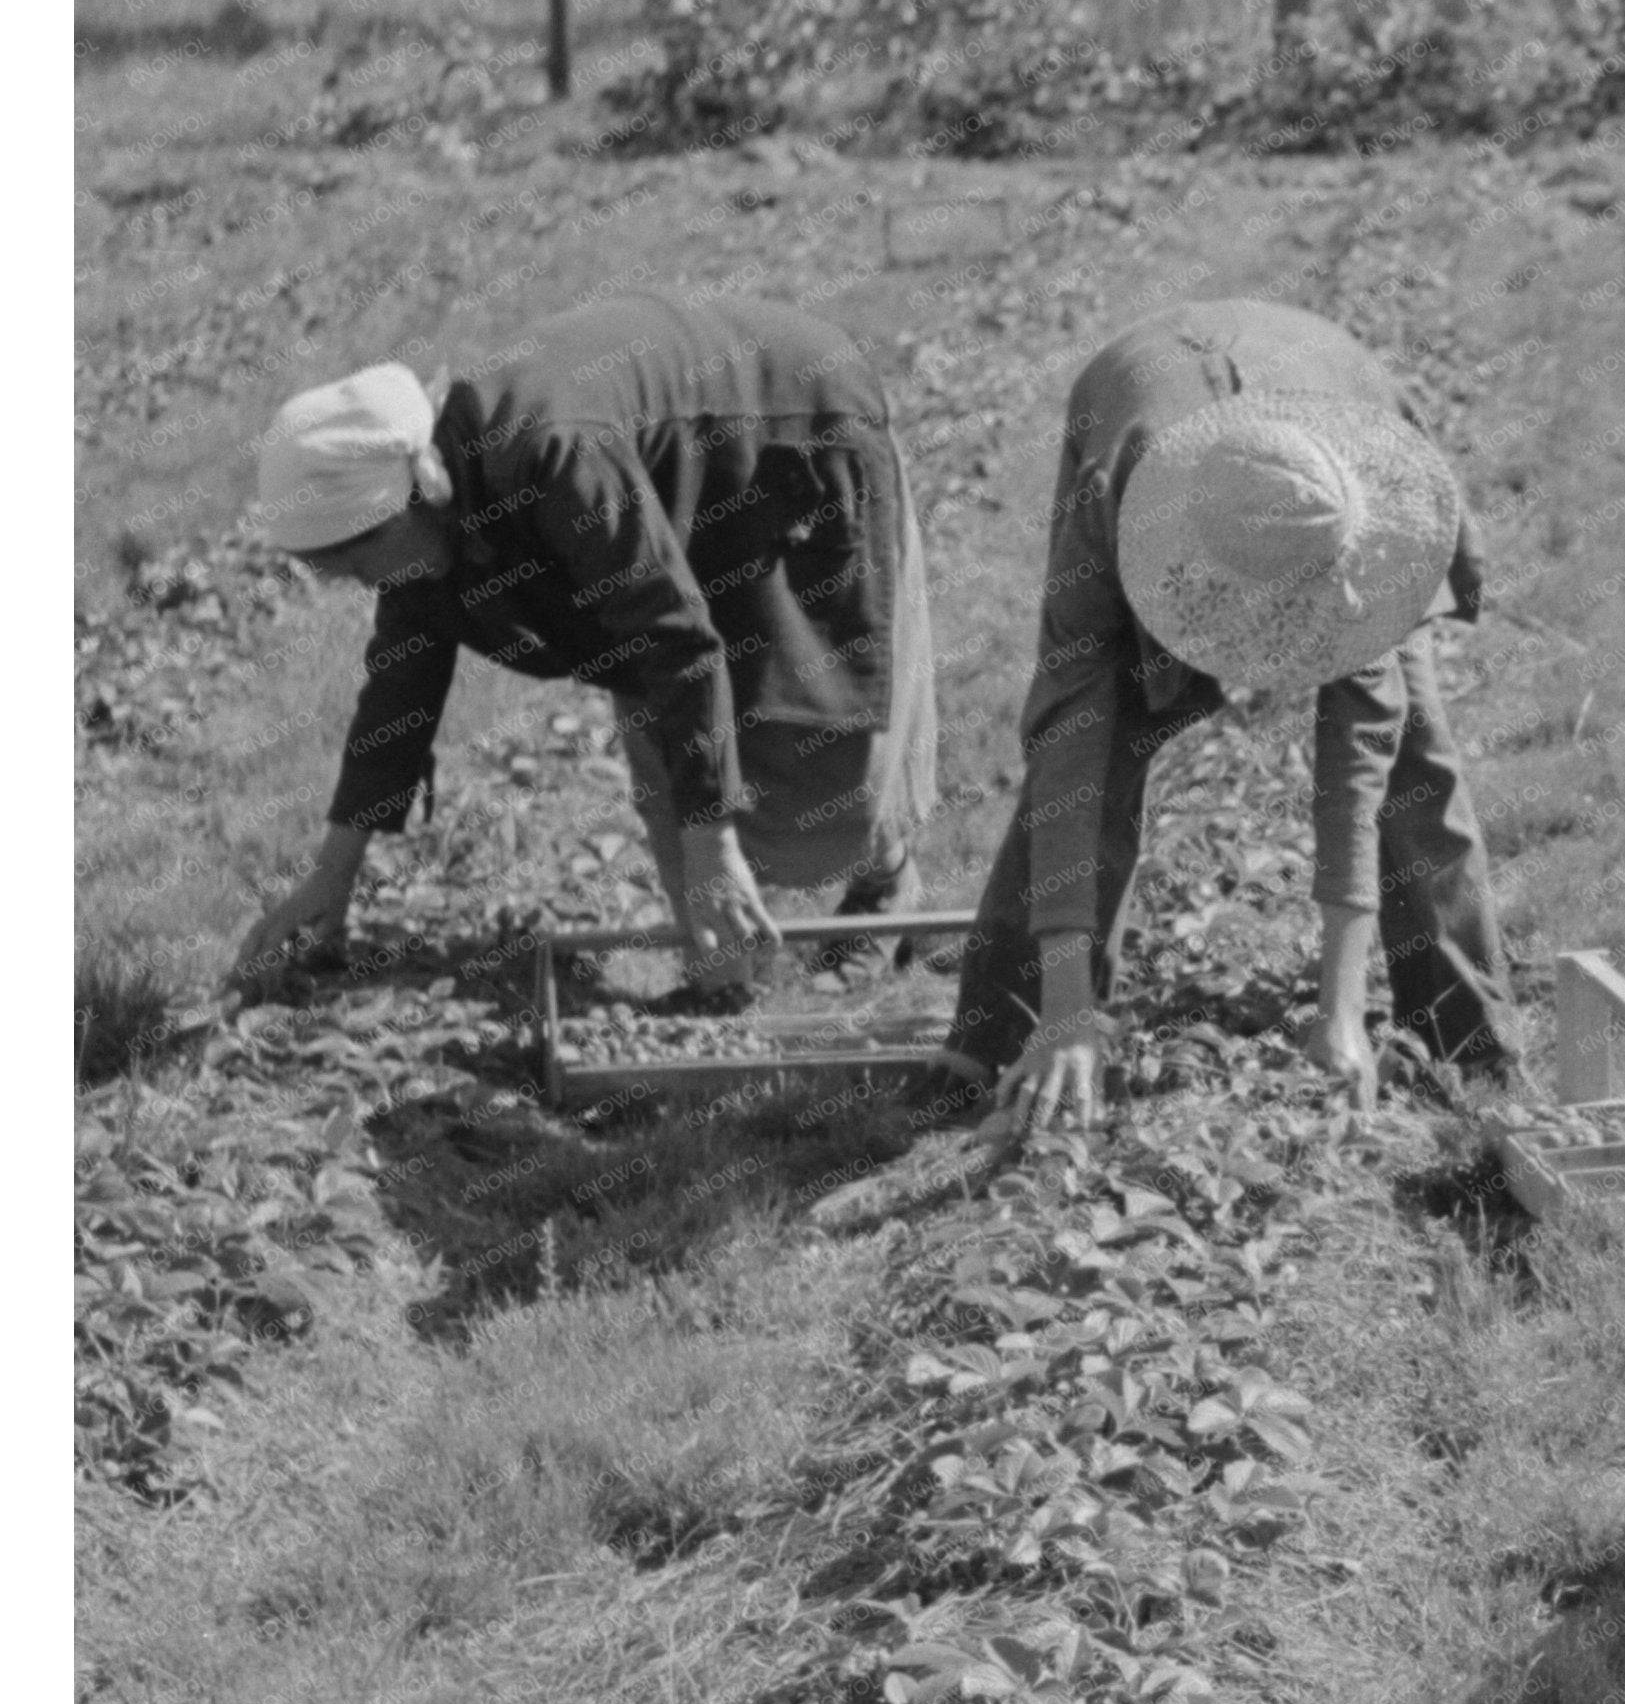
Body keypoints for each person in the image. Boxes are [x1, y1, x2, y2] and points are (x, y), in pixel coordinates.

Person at [233, 294, 939, 988]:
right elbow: (399, 693)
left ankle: (885, 888)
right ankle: (726, 975)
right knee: (670, 746)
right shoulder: (426, 515)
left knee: (810, 763)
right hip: (668, 486)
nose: (363, 584)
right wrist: (332, 875)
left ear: (407, 503)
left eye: (356, 564)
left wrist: (714, 843)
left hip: (786, 429)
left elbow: (675, 642)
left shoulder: (549, 455)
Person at [946, 299, 1519, 1137]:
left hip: (1330, 395)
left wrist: (1342, 1011)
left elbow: (1355, 762)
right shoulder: (1118, 499)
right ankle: (1010, 1033)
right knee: (1094, 751)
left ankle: (1467, 1041)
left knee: (1412, 754)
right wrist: (1069, 1011)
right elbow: (1075, 734)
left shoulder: (1357, 529)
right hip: (1137, 391)